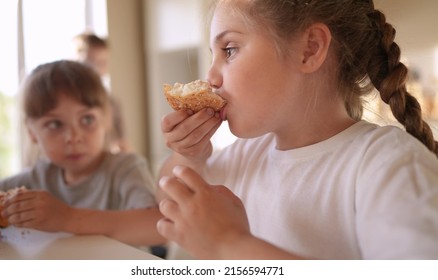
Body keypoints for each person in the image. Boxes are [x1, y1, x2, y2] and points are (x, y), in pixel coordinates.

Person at [156, 0, 438, 259]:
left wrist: (230, 244)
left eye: (229, 50)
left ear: (310, 49)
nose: (210, 77)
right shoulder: (245, 156)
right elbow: (167, 205)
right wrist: (189, 155)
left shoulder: (390, 165)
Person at [0, 60, 164, 248]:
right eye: (55, 124)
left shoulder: (125, 168)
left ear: (106, 119)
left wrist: (66, 217)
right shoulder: (41, 175)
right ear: (32, 132)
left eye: (87, 119)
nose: (73, 137)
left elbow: (158, 228)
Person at [73, 32, 129, 153]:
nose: (95, 69)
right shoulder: (65, 102)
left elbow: (123, 143)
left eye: (102, 63)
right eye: (89, 62)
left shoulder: (112, 103)